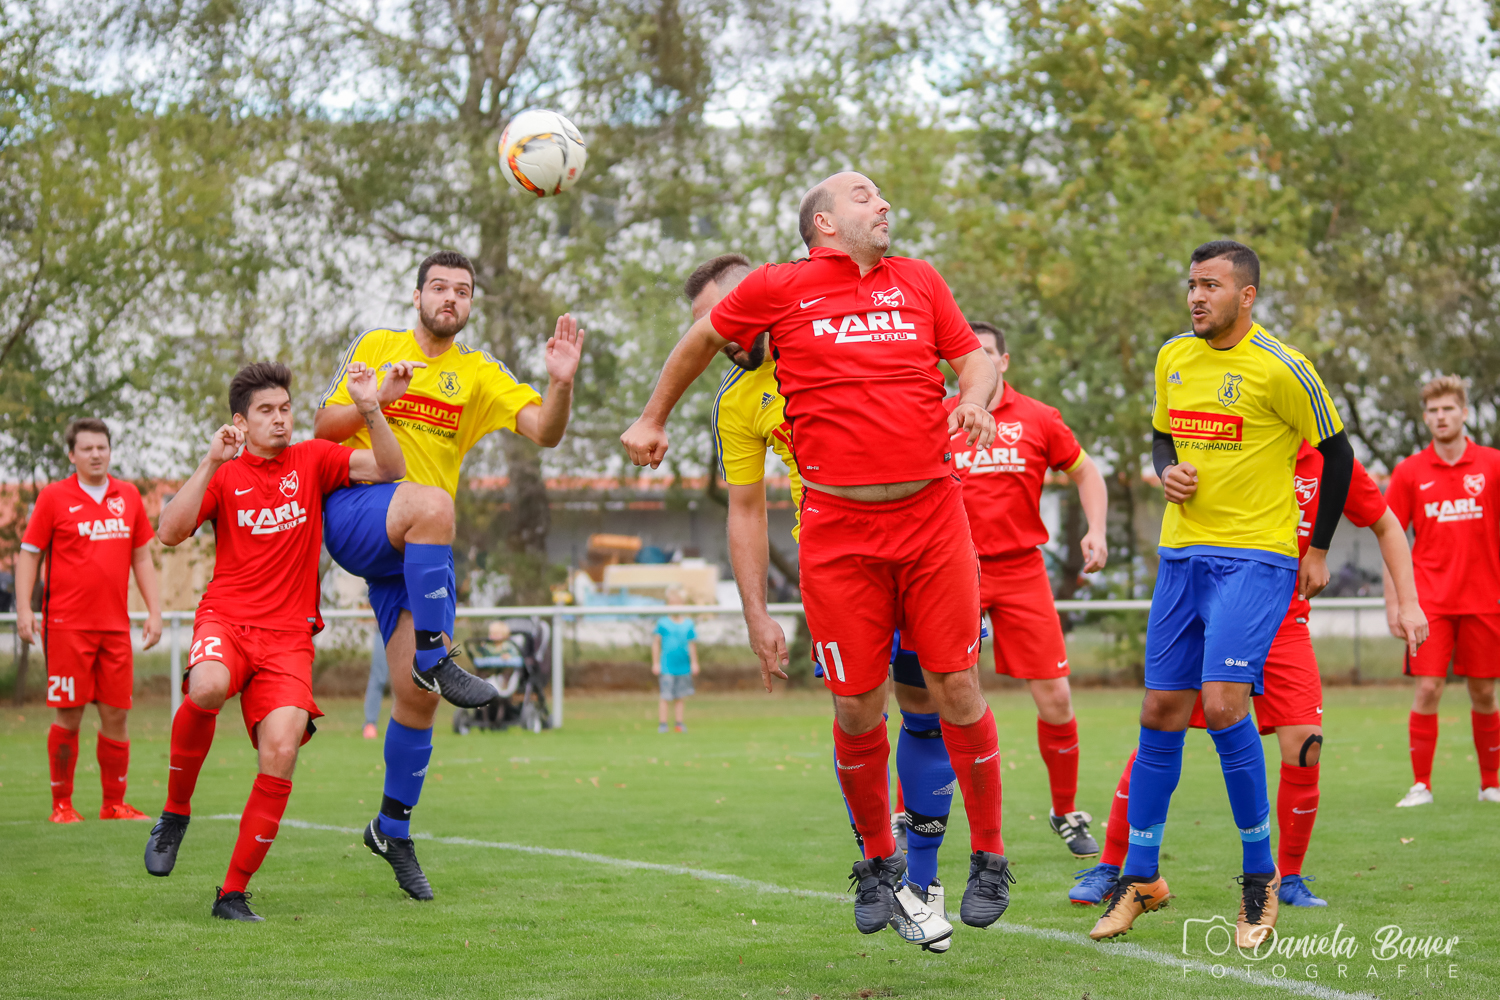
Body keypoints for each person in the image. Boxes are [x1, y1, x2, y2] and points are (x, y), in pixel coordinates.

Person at [623, 172, 1013, 938]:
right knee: (854, 705)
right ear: (824, 222)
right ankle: (877, 863)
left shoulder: (920, 281)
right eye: (866, 195)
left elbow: (975, 358)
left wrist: (971, 396)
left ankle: (992, 857)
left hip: (934, 519)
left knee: (954, 688)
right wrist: (650, 415)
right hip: (838, 536)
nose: (885, 203)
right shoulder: (780, 288)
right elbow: (700, 339)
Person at [1090, 240, 1355, 948]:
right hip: (1182, 556)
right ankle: (1141, 878)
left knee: (1223, 704)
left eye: (1211, 285)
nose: (1196, 296)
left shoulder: (1283, 367)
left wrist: (1320, 548)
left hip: (1256, 560)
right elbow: (1160, 438)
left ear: (1248, 295)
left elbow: (1339, 454)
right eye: (1191, 285)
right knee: (1160, 709)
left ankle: (1260, 877)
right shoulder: (1173, 357)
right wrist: (1168, 468)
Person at [698, 252, 953, 951]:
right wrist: (756, 612)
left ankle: (925, 880)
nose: (719, 335)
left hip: (924, 542)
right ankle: (885, 871)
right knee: (856, 711)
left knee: (932, 704)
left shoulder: (861, 332)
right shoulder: (737, 399)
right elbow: (745, 511)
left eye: (724, 315)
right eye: (705, 327)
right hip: (841, 564)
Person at [315, 249, 584, 900]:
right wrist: (376, 400)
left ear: (469, 306)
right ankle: (437, 653)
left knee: (418, 700)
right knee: (435, 503)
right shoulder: (379, 345)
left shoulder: (479, 373)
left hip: (417, 549)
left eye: (462, 291)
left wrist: (562, 381)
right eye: (438, 287)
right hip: (357, 513)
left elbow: (544, 432)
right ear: (416, 297)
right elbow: (324, 427)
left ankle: (391, 828)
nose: (450, 298)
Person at [1076, 439, 1426, 909]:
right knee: (1161, 727)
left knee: (1306, 744)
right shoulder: (1234, 438)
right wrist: (1168, 474)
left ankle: (1289, 876)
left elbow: (1386, 525)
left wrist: (1409, 603)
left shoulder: (1331, 461)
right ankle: (1114, 867)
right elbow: (1169, 452)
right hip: (1217, 615)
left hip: (1284, 621)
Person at [143, 361, 404, 921]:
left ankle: (231, 894)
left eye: (285, 408)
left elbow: (390, 466)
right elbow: (167, 532)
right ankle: (175, 811)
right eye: (267, 411)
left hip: (288, 638)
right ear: (240, 420)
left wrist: (369, 405)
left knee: (281, 751)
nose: (280, 419)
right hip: (227, 621)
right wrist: (211, 459)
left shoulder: (313, 458)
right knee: (208, 685)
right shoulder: (225, 472)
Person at [946, 321, 1109, 859]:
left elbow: (1087, 473)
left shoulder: (1038, 418)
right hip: (951, 571)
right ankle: (914, 812)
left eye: (987, 353)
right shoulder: (937, 418)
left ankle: (1065, 811)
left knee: (1057, 697)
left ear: (1004, 361)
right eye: (969, 355)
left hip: (1021, 571)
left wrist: (1096, 529)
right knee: (941, 696)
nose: (979, 362)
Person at [17, 418, 163, 824]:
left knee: (116, 713)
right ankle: (62, 806)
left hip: (115, 627)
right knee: (70, 713)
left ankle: (113, 804)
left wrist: (154, 610)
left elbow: (141, 557)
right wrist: (25, 610)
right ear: (72, 455)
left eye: (102, 447)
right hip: (66, 626)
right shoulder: (53, 497)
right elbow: (29, 553)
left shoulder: (129, 496)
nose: (96, 454)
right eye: (87, 448)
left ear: (110, 451)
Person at [1384, 375, 1500, 807]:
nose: (1440, 416)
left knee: (1485, 692)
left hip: (1486, 600)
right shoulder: (1409, 472)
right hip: (1428, 602)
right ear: (1425, 417)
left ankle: (1490, 784)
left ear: (1464, 413)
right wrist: (1394, 603)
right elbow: (1388, 536)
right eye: (1432, 410)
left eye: (1448, 408)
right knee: (1429, 688)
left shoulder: (1492, 464)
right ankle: (1421, 786)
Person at [652, 589, 699, 733]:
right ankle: (663, 724)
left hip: (683, 666)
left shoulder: (688, 624)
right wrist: (655, 663)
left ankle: (679, 723)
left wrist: (694, 662)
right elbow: (656, 643)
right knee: (665, 696)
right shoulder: (663, 623)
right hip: (667, 666)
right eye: (672, 603)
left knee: (680, 696)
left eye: (678, 603)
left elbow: (691, 645)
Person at [364, 628, 388, 740]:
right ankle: (370, 723)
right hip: (384, 629)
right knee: (379, 677)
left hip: (412, 628)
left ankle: (417, 725)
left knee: (413, 678)